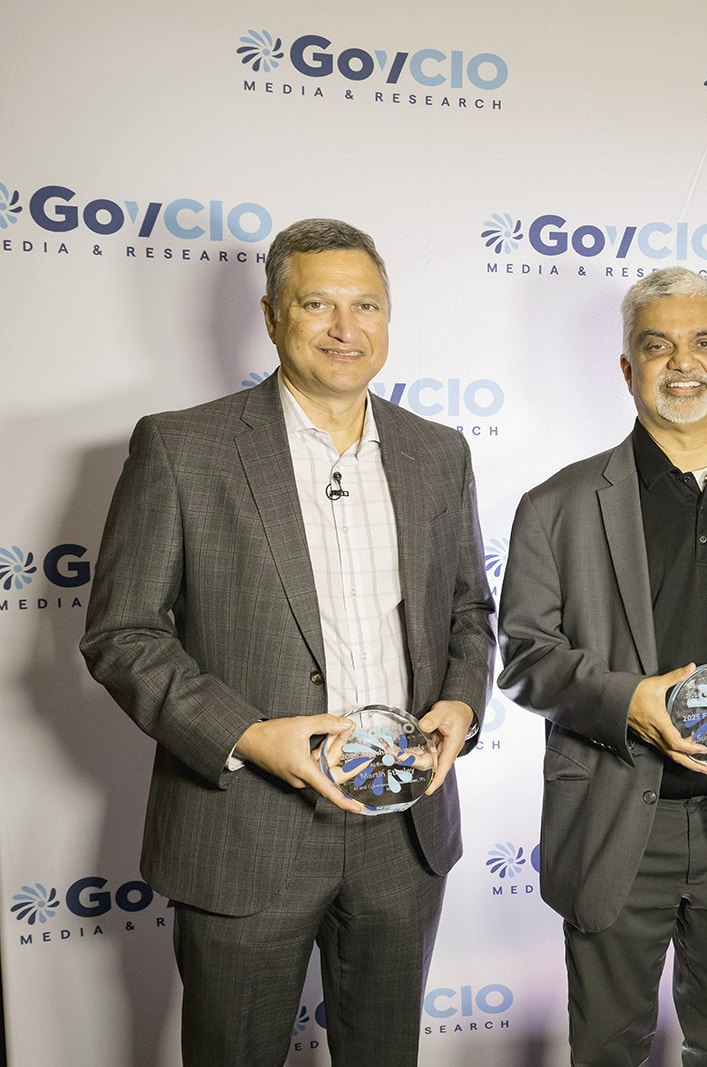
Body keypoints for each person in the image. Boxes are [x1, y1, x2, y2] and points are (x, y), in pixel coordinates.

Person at [80, 218, 495, 1066]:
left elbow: (468, 609)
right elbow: (122, 633)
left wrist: (460, 701)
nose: (346, 328)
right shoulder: (182, 446)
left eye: (366, 305)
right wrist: (246, 734)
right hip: (244, 828)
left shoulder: (437, 451)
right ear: (272, 316)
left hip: (401, 830)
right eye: (317, 305)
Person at [496, 267, 707, 1066]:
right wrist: (628, 703)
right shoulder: (555, 504)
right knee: (607, 1048)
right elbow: (524, 656)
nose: (683, 363)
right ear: (628, 368)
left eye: (703, 343)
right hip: (613, 817)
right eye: (658, 346)